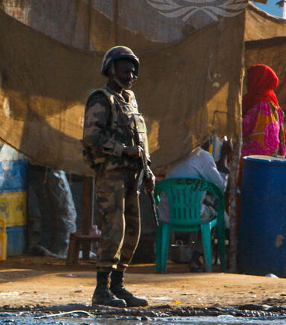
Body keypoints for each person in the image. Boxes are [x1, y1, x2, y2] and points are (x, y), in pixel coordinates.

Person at [81, 46, 154, 308]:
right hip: (110, 175)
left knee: (132, 232)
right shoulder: (102, 99)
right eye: (125, 70)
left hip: (132, 175)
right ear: (111, 70)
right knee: (114, 230)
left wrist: (148, 170)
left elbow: (139, 139)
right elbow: (91, 137)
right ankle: (101, 290)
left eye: (133, 70)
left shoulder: (130, 99)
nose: (131, 75)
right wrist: (123, 150)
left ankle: (117, 286)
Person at [157, 139, 232, 271]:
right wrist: (223, 159)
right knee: (215, 212)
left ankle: (194, 257)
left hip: (167, 214)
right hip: (193, 215)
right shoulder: (202, 156)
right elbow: (220, 187)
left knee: (202, 204)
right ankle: (197, 256)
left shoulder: (174, 155)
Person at [240, 64, 285, 158]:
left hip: (253, 156)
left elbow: (242, 128)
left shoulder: (258, 101)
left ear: (258, 79)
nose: (247, 83)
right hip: (272, 157)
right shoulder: (274, 102)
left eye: (250, 78)